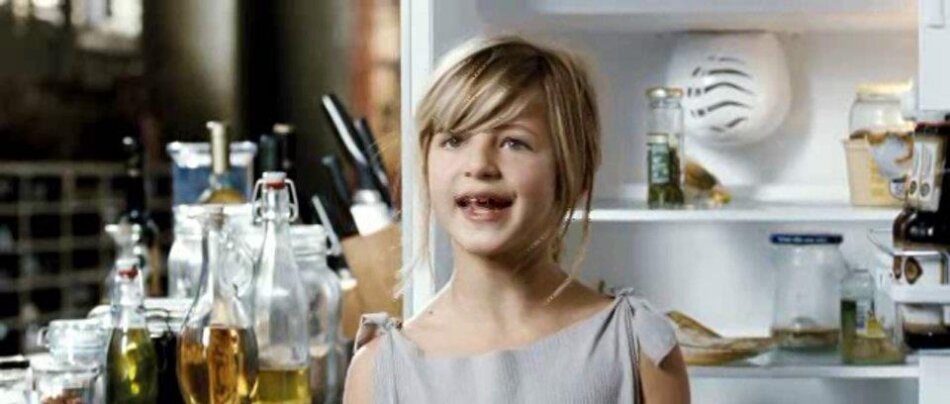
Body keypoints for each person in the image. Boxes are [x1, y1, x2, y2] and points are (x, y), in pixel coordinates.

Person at [344, 35, 690, 404]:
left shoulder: (639, 348)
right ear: (426, 166)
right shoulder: (380, 370)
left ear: (574, 176)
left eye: (514, 142)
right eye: (455, 140)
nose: (479, 165)